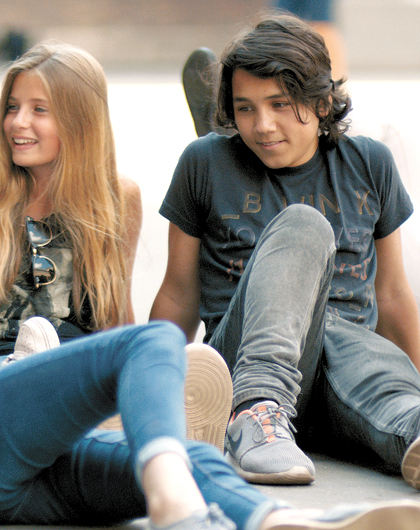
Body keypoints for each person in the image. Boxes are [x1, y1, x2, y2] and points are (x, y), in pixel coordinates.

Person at [0, 287, 420, 530]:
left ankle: (274, 523)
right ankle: (171, 498)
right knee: (151, 341)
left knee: (192, 459)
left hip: (9, 494)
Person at [150, 14, 420, 488]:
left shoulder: (369, 163)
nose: (262, 125)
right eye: (245, 108)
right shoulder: (204, 164)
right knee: (304, 224)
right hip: (241, 366)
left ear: (322, 102)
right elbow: (178, 294)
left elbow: (393, 295)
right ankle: (257, 410)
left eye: (279, 104)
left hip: (343, 381)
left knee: (387, 386)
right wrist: (148, 391)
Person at [0, 42, 142, 370]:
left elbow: (116, 315)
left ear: (80, 120)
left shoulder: (118, 196)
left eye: (39, 110)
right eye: (12, 107)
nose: (18, 122)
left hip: (78, 369)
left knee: (157, 344)